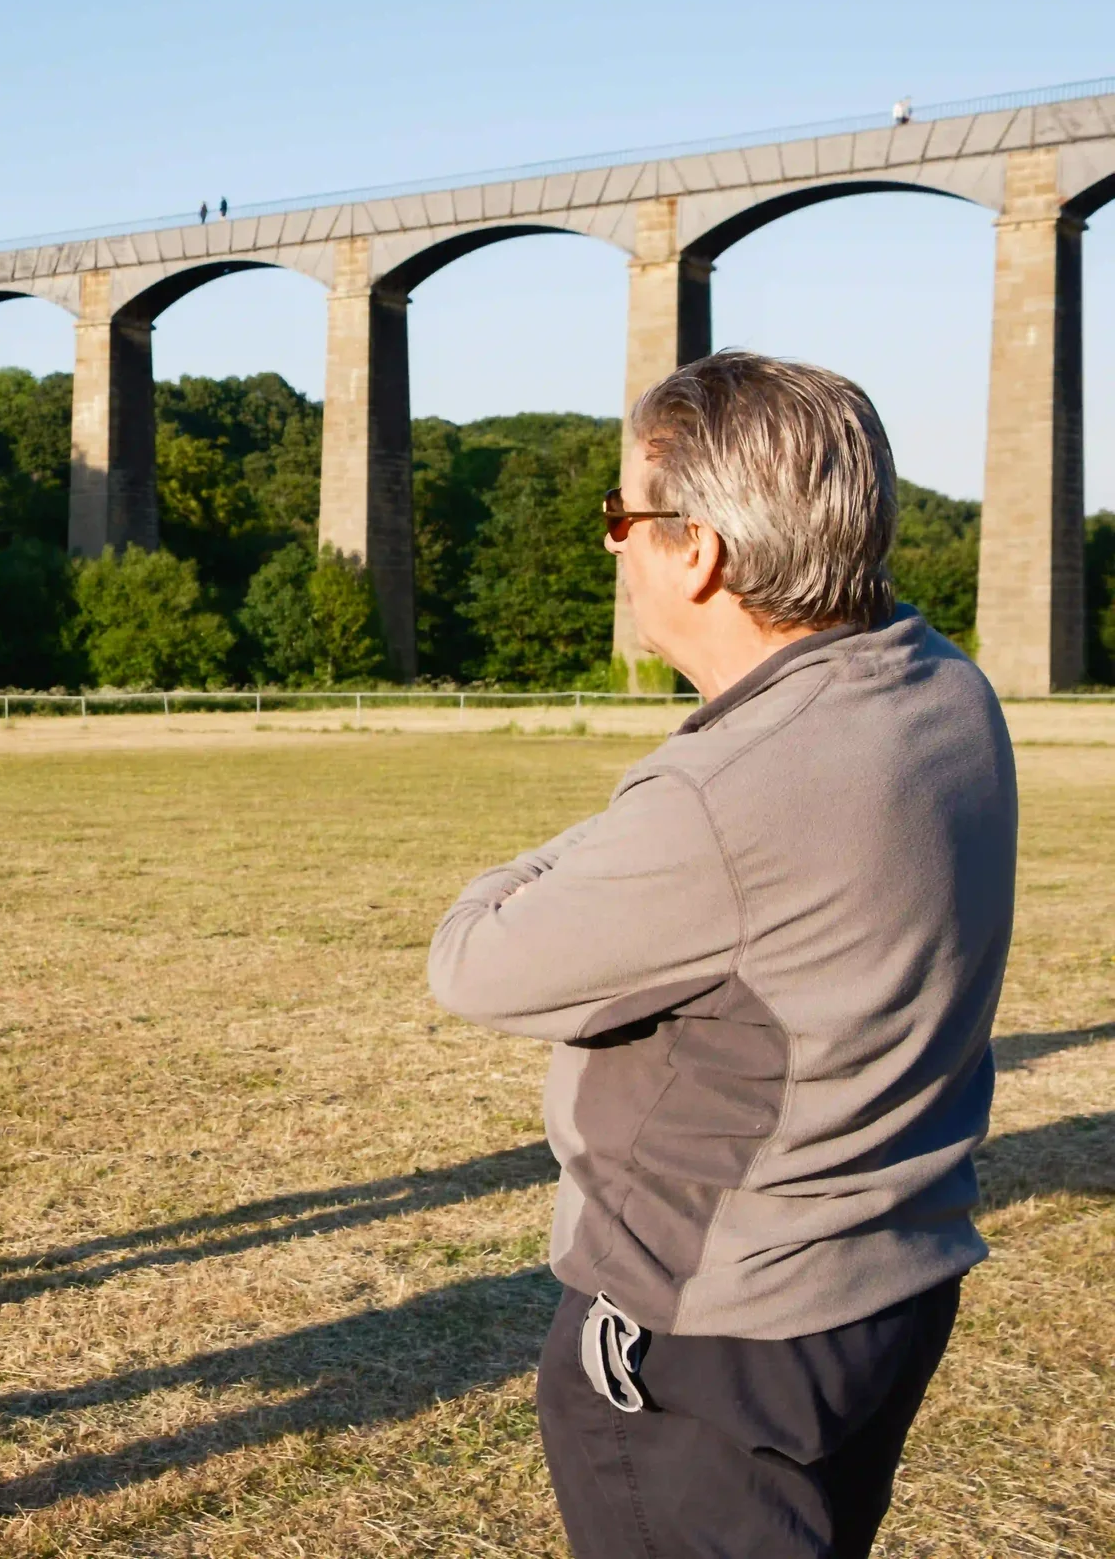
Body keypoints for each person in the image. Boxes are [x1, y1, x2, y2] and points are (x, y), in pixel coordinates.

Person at [429, 352, 1012, 1558]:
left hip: (711, 1339)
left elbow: (473, 960)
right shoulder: (946, 686)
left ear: (695, 548)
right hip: (885, 1291)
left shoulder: (720, 796)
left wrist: (607, 831)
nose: (611, 547)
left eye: (618, 516)